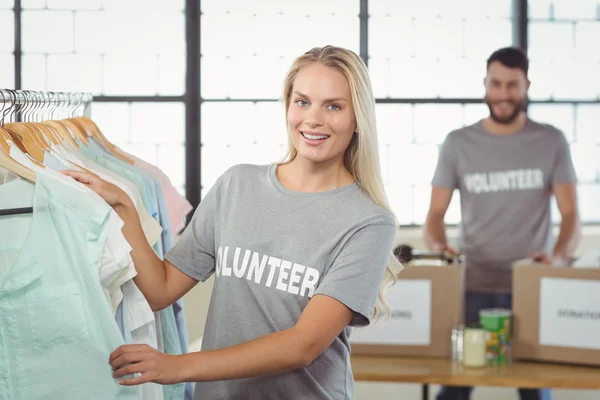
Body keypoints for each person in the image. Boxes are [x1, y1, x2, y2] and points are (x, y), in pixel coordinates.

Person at [63, 45, 402, 400]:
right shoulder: (237, 185)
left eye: (333, 106)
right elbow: (159, 290)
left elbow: (302, 345)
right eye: (302, 102)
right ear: (288, 105)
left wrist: (177, 366)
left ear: (357, 118)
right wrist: (125, 210)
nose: (313, 119)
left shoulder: (369, 222)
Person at [425, 47, 580, 400]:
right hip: (471, 284)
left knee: (533, 388)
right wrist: (439, 250)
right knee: (456, 386)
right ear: (485, 84)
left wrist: (557, 259)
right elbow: (434, 215)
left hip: (529, 288)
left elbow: (571, 215)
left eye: (512, 85)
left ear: (526, 85)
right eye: (496, 84)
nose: (504, 94)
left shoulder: (551, 140)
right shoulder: (458, 143)